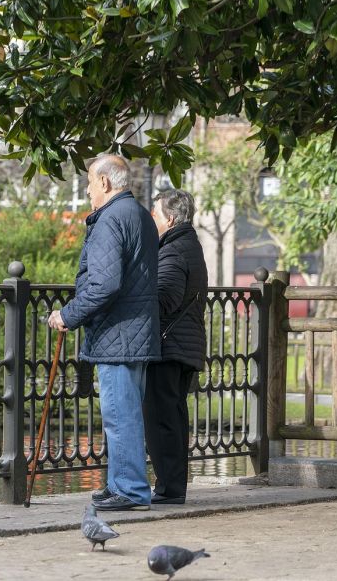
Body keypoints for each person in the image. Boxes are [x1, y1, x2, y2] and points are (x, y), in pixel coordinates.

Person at [48, 155, 160, 511]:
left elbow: (104, 284)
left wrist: (68, 315)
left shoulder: (111, 219)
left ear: (105, 183)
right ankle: (119, 484)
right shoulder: (140, 215)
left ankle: (129, 490)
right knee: (125, 412)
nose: (87, 190)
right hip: (136, 331)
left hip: (118, 335)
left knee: (119, 413)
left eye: (89, 183)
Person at [143, 189, 208, 504]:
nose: (151, 219)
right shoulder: (187, 245)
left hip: (170, 347)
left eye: (154, 214)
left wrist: (137, 294)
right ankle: (172, 487)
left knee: (162, 418)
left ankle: (169, 489)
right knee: (172, 417)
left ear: (169, 218)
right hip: (183, 344)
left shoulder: (173, 250)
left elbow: (165, 297)